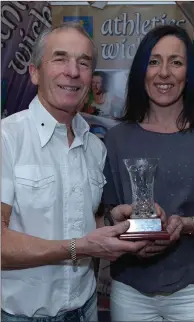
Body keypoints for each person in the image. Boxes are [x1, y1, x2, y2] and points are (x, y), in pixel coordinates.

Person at [1, 22, 151, 322]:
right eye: (60, 58)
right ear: (34, 72)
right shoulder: (7, 138)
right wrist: (77, 248)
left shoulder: (95, 146)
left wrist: (111, 219)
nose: (73, 72)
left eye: (83, 63)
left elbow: (78, 220)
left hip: (85, 310)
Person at [103, 25, 194, 321]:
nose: (164, 73)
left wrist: (185, 224)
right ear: (141, 70)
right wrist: (121, 228)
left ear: (189, 73)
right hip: (130, 291)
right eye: (154, 61)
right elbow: (104, 216)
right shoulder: (116, 139)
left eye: (176, 62)